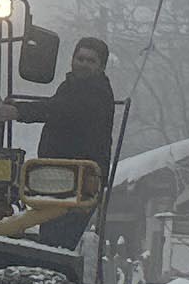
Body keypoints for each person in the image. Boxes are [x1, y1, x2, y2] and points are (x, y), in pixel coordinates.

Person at [20, 35, 121, 248]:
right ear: (72, 59)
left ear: (101, 67)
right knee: (50, 237)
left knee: (56, 242)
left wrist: (18, 111)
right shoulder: (70, 86)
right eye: (80, 58)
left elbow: (61, 110)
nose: (83, 64)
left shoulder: (96, 92)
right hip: (59, 177)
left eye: (91, 61)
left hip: (77, 181)